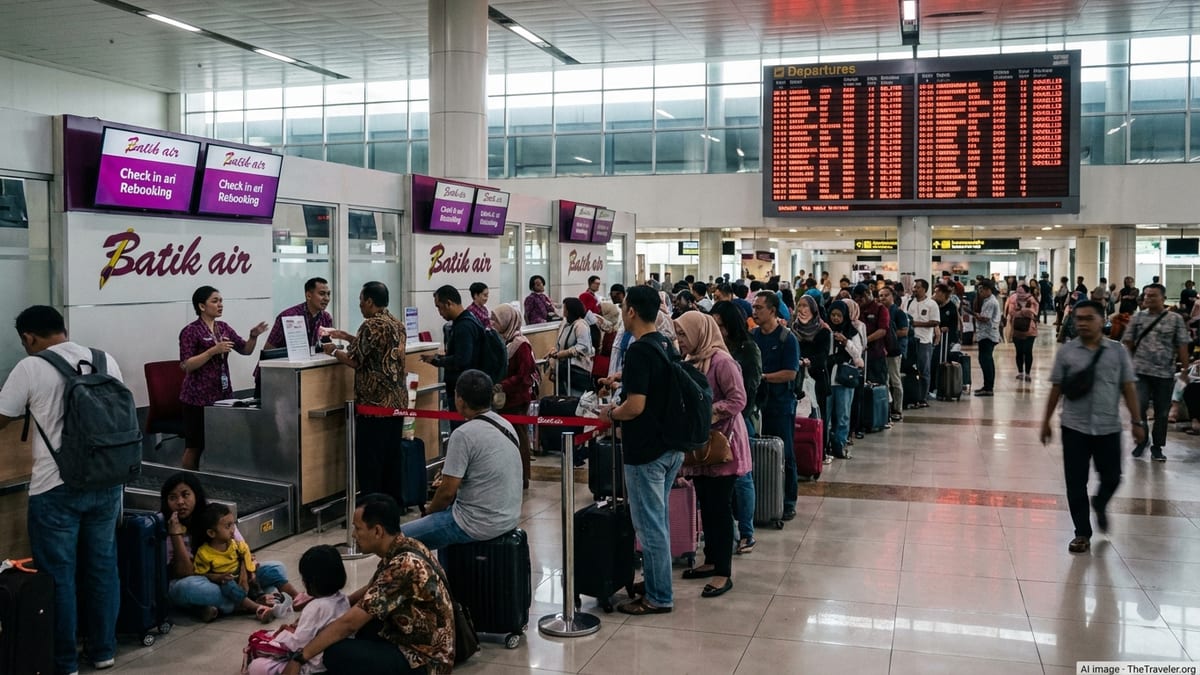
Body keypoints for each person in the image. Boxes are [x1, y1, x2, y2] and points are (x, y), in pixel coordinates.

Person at [0, 305, 123, 674]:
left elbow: (3, 417)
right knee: (103, 569)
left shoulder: (31, 366)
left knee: (58, 576)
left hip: (55, 489)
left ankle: (64, 661)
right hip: (106, 482)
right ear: (64, 328)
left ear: (28, 338)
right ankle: (103, 651)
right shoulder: (105, 360)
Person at [282, 494, 455, 675]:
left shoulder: (403, 566)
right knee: (345, 631)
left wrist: (301, 657)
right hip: (416, 642)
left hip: (424, 662)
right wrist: (333, 606)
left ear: (378, 531)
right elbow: (371, 591)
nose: (354, 535)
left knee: (336, 652)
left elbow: (349, 623)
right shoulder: (406, 545)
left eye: (358, 528)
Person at [598, 286, 685, 615]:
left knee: (649, 527)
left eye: (623, 306)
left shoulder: (638, 351)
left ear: (632, 310)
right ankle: (655, 582)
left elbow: (635, 406)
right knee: (657, 521)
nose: (621, 310)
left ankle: (659, 596)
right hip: (669, 446)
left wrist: (611, 414)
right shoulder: (664, 343)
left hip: (646, 451)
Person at [1040, 300, 1143, 554]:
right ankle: (1082, 533)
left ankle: (1100, 502)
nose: (1082, 323)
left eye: (1088, 318)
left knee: (1112, 477)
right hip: (1074, 426)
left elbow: (1128, 387)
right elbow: (1056, 388)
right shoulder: (1067, 352)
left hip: (1108, 426)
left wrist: (1137, 421)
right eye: (1078, 319)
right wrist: (1046, 421)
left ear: (1102, 319)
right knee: (1075, 482)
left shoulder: (1117, 351)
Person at [674, 312, 749, 598]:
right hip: (701, 447)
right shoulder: (691, 361)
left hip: (722, 445)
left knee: (719, 509)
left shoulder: (721, 361)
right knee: (706, 505)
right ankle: (711, 560)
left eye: (683, 334)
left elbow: (738, 399)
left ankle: (723, 572)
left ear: (699, 332)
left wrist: (708, 411)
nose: (680, 340)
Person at [403, 370, 523, 551]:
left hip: (474, 523)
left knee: (397, 537)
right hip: (508, 518)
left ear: (460, 400)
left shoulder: (463, 434)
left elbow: (446, 493)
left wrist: (428, 514)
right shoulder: (505, 425)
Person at [160, 473, 301, 622]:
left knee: (276, 568)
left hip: (231, 575)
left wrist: (244, 577)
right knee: (188, 588)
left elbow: (242, 549)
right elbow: (185, 574)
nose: (180, 502)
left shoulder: (213, 516)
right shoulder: (165, 525)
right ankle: (248, 604)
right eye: (173, 497)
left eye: (185, 495)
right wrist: (175, 534)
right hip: (201, 580)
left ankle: (219, 606)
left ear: (196, 494)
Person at [322, 281, 408, 502]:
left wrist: (332, 350)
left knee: (371, 463)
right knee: (391, 459)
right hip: (396, 403)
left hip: (374, 406)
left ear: (370, 301)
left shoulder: (370, 325)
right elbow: (376, 349)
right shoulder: (395, 323)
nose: (360, 306)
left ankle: (373, 510)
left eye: (361, 301)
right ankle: (392, 506)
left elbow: (355, 360)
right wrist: (347, 336)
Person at [179, 285, 268, 470]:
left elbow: (245, 350)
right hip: (197, 398)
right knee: (195, 446)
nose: (220, 305)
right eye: (215, 301)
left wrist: (253, 336)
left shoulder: (223, 328)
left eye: (221, 301)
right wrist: (212, 351)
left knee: (221, 442)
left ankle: (215, 481)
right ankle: (187, 482)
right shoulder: (190, 331)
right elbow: (186, 365)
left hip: (222, 395)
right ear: (202, 306)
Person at [247, 545, 351, 675]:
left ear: (310, 582)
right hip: (333, 659)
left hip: (311, 666)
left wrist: (282, 635)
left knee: (257, 666)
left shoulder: (315, 607)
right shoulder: (343, 599)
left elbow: (297, 645)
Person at [710, 300, 761, 554]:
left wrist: (732, 414)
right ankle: (727, 533)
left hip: (740, 422)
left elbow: (748, 391)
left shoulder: (747, 348)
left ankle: (747, 532)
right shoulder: (711, 349)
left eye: (720, 324)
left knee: (742, 478)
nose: (717, 329)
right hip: (715, 426)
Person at [1123, 283, 1191, 462]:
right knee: (1140, 407)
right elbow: (1128, 343)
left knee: (1162, 412)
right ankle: (1142, 440)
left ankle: (1157, 446)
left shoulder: (1174, 319)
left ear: (1163, 298)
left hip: (1165, 373)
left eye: (1152, 296)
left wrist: (1184, 369)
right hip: (1140, 371)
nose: (1148, 299)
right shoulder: (1137, 318)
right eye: (1146, 295)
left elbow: (1182, 344)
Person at [750, 291, 801, 520]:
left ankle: (789, 500)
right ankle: (763, 498)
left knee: (785, 453)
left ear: (772, 310)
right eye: (754, 308)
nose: (755, 312)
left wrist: (764, 377)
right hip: (756, 405)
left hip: (780, 404)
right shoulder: (752, 337)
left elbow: (790, 373)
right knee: (758, 452)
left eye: (759, 308)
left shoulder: (787, 339)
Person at [191, 503, 283, 622]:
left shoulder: (234, 544)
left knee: (272, 570)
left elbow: (246, 553)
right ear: (211, 533)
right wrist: (218, 577)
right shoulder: (204, 553)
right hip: (226, 582)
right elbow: (200, 574)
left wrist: (246, 575)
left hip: (242, 578)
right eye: (228, 526)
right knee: (228, 585)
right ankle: (257, 608)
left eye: (233, 524)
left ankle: (292, 596)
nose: (233, 530)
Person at [256, 277, 333, 387]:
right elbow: (268, 352)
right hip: (275, 376)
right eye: (322, 294)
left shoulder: (326, 318)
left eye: (328, 294)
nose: (326, 298)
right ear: (309, 295)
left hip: (305, 373)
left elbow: (325, 347)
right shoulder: (288, 316)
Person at [491, 304, 536, 489]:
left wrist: (504, 384)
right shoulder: (503, 341)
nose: (493, 323)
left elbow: (525, 375)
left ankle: (523, 476)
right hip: (504, 399)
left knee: (519, 437)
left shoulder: (521, 344)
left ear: (507, 321)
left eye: (497, 319)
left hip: (517, 399)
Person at [421, 285, 485, 408]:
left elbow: (462, 360)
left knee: (462, 426)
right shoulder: (470, 319)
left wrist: (437, 360)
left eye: (439, 307)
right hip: (470, 387)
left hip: (464, 391)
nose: (439, 313)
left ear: (449, 303)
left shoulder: (464, 326)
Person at [827, 300, 865, 459]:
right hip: (828, 379)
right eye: (833, 315)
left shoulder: (853, 332)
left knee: (843, 414)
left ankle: (840, 444)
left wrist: (845, 341)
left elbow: (858, 354)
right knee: (827, 415)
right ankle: (826, 444)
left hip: (844, 379)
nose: (835, 318)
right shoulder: (826, 331)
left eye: (839, 315)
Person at [548, 297, 595, 397]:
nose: (563, 313)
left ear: (571, 310)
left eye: (565, 309)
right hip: (564, 370)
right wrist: (554, 351)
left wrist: (565, 353)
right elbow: (560, 343)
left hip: (576, 371)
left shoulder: (581, 325)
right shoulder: (565, 324)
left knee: (574, 398)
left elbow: (583, 346)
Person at [904, 279, 939, 407]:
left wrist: (917, 324)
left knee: (924, 370)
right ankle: (913, 395)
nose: (915, 289)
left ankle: (923, 397)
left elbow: (935, 322)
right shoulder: (909, 303)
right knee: (911, 369)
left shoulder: (931, 304)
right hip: (911, 340)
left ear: (924, 289)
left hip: (924, 340)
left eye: (917, 287)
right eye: (914, 287)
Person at [852, 284, 891, 387]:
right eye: (856, 299)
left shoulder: (880, 309)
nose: (859, 301)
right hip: (858, 355)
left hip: (876, 354)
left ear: (867, 294)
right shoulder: (856, 309)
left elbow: (882, 330)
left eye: (861, 298)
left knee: (878, 386)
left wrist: (864, 341)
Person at [879, 286, 908, 421]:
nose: (883, 298)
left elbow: (905, 331)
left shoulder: (898, 312)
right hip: (881, 351)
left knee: (895, 380)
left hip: (894, 351)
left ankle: (898, 408)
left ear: (892, 296)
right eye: (880, 295)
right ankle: (886, 407)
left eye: (886, 295)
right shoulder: (880, 311)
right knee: (883, 380)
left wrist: (888, 335)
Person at [973, 281, 1002, 396]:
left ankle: (988, 387)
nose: (980, 293)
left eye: (981, 290)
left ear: (988, 289)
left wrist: (975, 315)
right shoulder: (988, 300)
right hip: (985, 334)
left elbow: (985, 318)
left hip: (988, 335)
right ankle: (986, 386)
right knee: (985, 360)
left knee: (986, 361)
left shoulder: (991, 302)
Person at [1007, 285, 1039, 381]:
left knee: (1028, 351)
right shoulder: (1013, 299)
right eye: (1018, 292)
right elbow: (1011, 312)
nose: (1019, 294)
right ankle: (1020, 372)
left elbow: (1033, 314)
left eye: (1021, 292)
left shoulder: (1033, 300)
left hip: (1030, 330)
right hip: (1017, 330)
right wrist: (1025, 311)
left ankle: (1028, 373)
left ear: (1027, 292)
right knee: (1019, 352)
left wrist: (1020, 312)